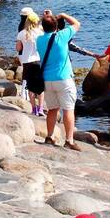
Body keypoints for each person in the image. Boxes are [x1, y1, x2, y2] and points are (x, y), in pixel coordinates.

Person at [35, 11, 82, 150]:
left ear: (43, 27)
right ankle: (69, 140)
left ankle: (49, 136)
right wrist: (63, 14)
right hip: (63, 78)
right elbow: (77, 24)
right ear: (56, 27)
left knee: (52, 109)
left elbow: (40, 26)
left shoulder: (39, 39)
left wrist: (47, 17)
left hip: (47, 79)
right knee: (68, 110)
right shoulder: (61, 36)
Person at [15, 7, 45, 117]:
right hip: (39, 60)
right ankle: (41, 108)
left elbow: (18, 48)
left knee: (31, 87)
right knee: (41, 88)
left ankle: (33, 109)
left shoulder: (22, 33)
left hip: (27, 61)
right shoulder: (41, 32)